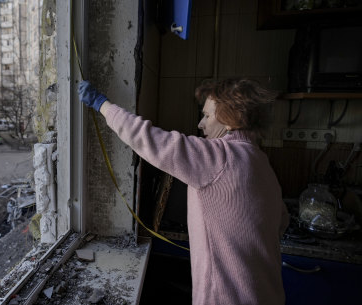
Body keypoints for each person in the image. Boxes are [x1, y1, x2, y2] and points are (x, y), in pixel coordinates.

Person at [78, 78, 290, 305]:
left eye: (207, 116)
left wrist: (102, 104)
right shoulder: (262, 164)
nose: (201, 124)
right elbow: (281, 222)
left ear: (231, 120)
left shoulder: (220, 158)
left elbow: (149, 139)